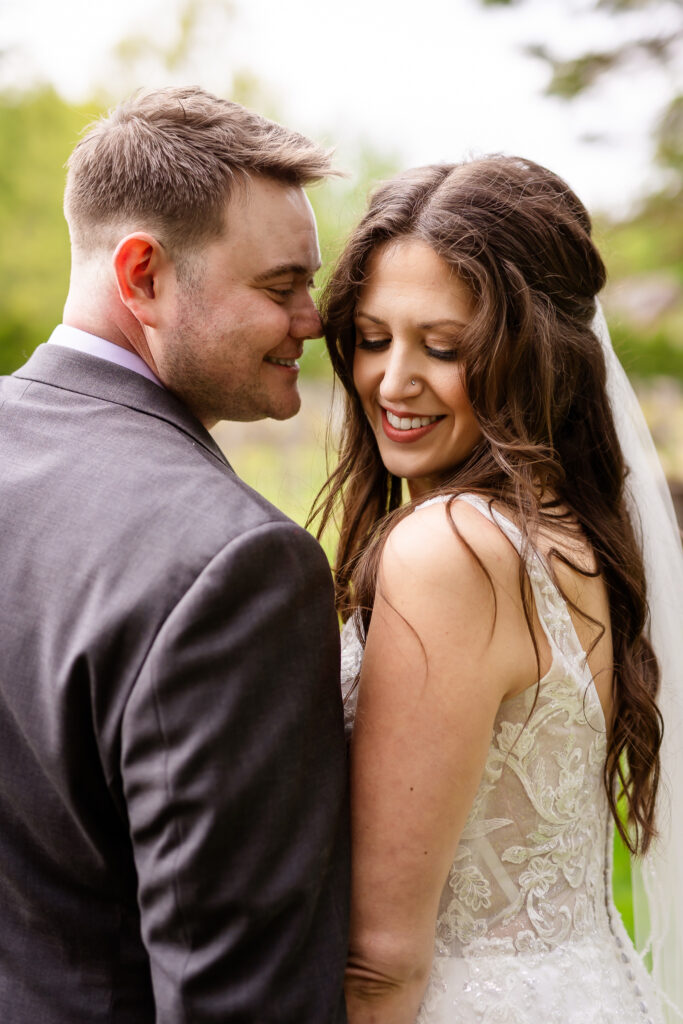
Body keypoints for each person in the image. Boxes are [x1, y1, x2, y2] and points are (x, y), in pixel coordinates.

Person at [0, 87, 349, 1023]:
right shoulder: (234, 567)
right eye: (280, 287)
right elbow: (239, 995)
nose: (313, 321)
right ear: (144, 274)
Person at [312, 156, 683, 1023]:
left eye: (442, 349)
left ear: (536, 357)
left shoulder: (449, 551)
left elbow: (382, 960)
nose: (394, 381)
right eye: (373, 338)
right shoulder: (573, 533)